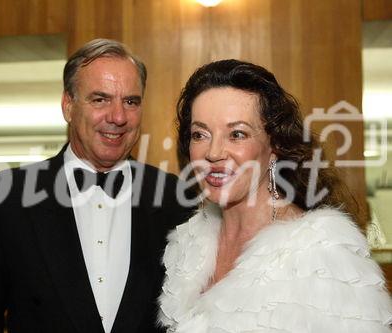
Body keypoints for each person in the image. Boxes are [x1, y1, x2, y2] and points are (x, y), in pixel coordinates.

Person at [0, 38, 194, 333]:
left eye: (131, 101)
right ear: (68, 106)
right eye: (100, 99)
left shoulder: (174, 196)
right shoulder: (7, 196)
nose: (118, 117)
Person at [158, 59, 392, 332]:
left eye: (237, 134)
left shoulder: (321, 253)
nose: (213, 152)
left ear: (275, 145)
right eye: (200, 134)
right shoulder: (189, 243)